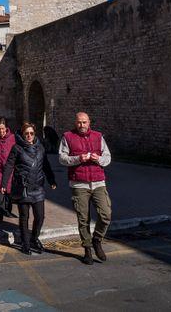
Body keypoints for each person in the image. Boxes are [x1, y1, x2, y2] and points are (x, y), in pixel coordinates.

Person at [59, 111, 112, 265]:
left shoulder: (98, 136)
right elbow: (62, 158)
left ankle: (97, 239)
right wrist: (77, 158)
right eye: (79, 122)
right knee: (83, 219)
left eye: (84, 122)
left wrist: (99, 159)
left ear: (89, 122)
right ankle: (87, 249)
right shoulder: (68, 137)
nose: (82, 125)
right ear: (75, 123)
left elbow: (108, 158)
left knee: (106, 214)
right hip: (79, 184)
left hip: (98, 182)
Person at [2, 122, 57, 255]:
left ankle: (34, 238)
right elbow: (9, 166)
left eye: (31, 133)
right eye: (26, 133)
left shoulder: (40, 147)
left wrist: (51, 180)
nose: (29, 136)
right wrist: (4, 184)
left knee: (40, 216)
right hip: (23, 187)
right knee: (24, 217)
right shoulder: (17, 148)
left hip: (37, 187)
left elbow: (46, 164)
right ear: (22, 134)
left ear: (35, 134)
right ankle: (25, 243)